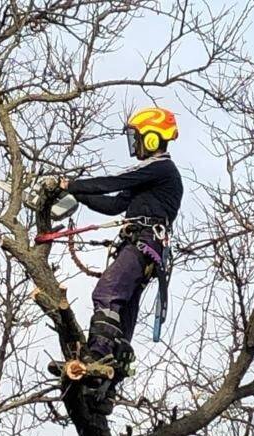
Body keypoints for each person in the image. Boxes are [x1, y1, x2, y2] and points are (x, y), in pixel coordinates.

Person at [58, 106, 183, 414]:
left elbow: (112, 181)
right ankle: (106, 389)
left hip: (143, 243)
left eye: (139, 138)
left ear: (153, 139)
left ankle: (97, 356)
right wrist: (78, 197)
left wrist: (68, 185)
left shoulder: (161, 167)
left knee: (106, 292)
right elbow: (113, 205)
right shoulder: (150, 180)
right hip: (145, 250)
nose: (136, 144)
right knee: (123, 314)